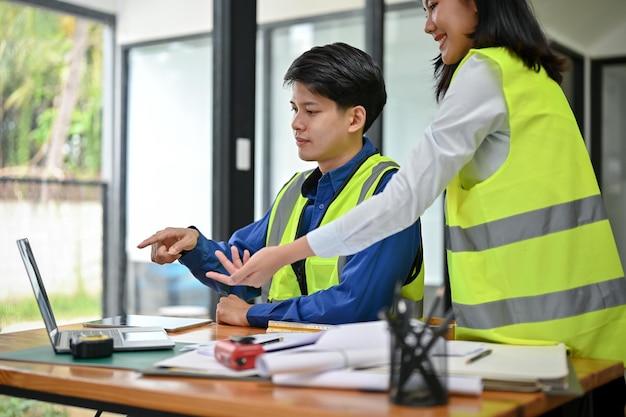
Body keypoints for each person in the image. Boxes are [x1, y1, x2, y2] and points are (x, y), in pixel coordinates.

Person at [209, 0, 626, 368]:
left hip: (531, 342)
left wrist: (285, 256)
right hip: (582, 328)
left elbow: (403, 202)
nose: (428, 24)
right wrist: (195, 246)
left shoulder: (486, 70)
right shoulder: (533, 79)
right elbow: (235, 262)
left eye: (433, 4)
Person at [137, 42, 425, 328]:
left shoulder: (389, 192)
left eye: (311, 111)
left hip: (365, 368)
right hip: (287, 361)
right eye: (294, 109)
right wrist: (192, 247)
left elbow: (357, 305)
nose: (296, 123)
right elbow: (240, 271)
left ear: (355, 118)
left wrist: (251, 314)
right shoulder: (294, 192)